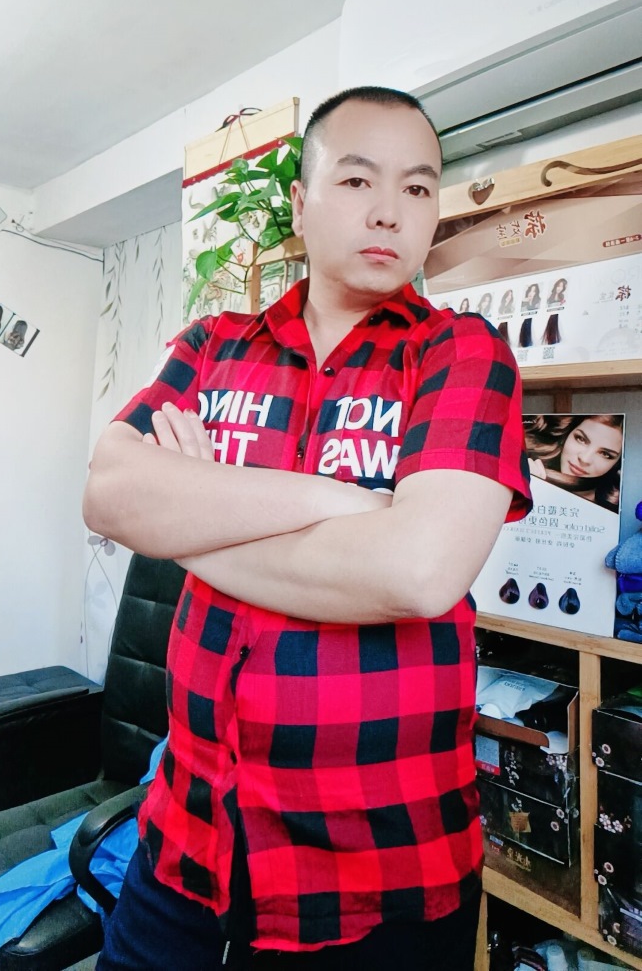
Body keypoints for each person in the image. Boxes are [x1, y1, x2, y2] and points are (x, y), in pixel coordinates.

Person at [84, 86, 531, 971]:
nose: (389, 211)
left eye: (417, 187)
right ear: (299, 201)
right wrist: (348, 502)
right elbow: (110, 493)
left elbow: (418, 571)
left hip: (381, 875)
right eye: (358, 179)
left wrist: (196, 515)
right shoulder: (213, 345)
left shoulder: (461, 353)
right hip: (185, 845)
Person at [525, 414, 623, 512]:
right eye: (581, 439)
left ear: (617, 464)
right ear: (567, 435)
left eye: (605, 454)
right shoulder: (529, 469)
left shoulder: (611, 514)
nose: (585, 459)